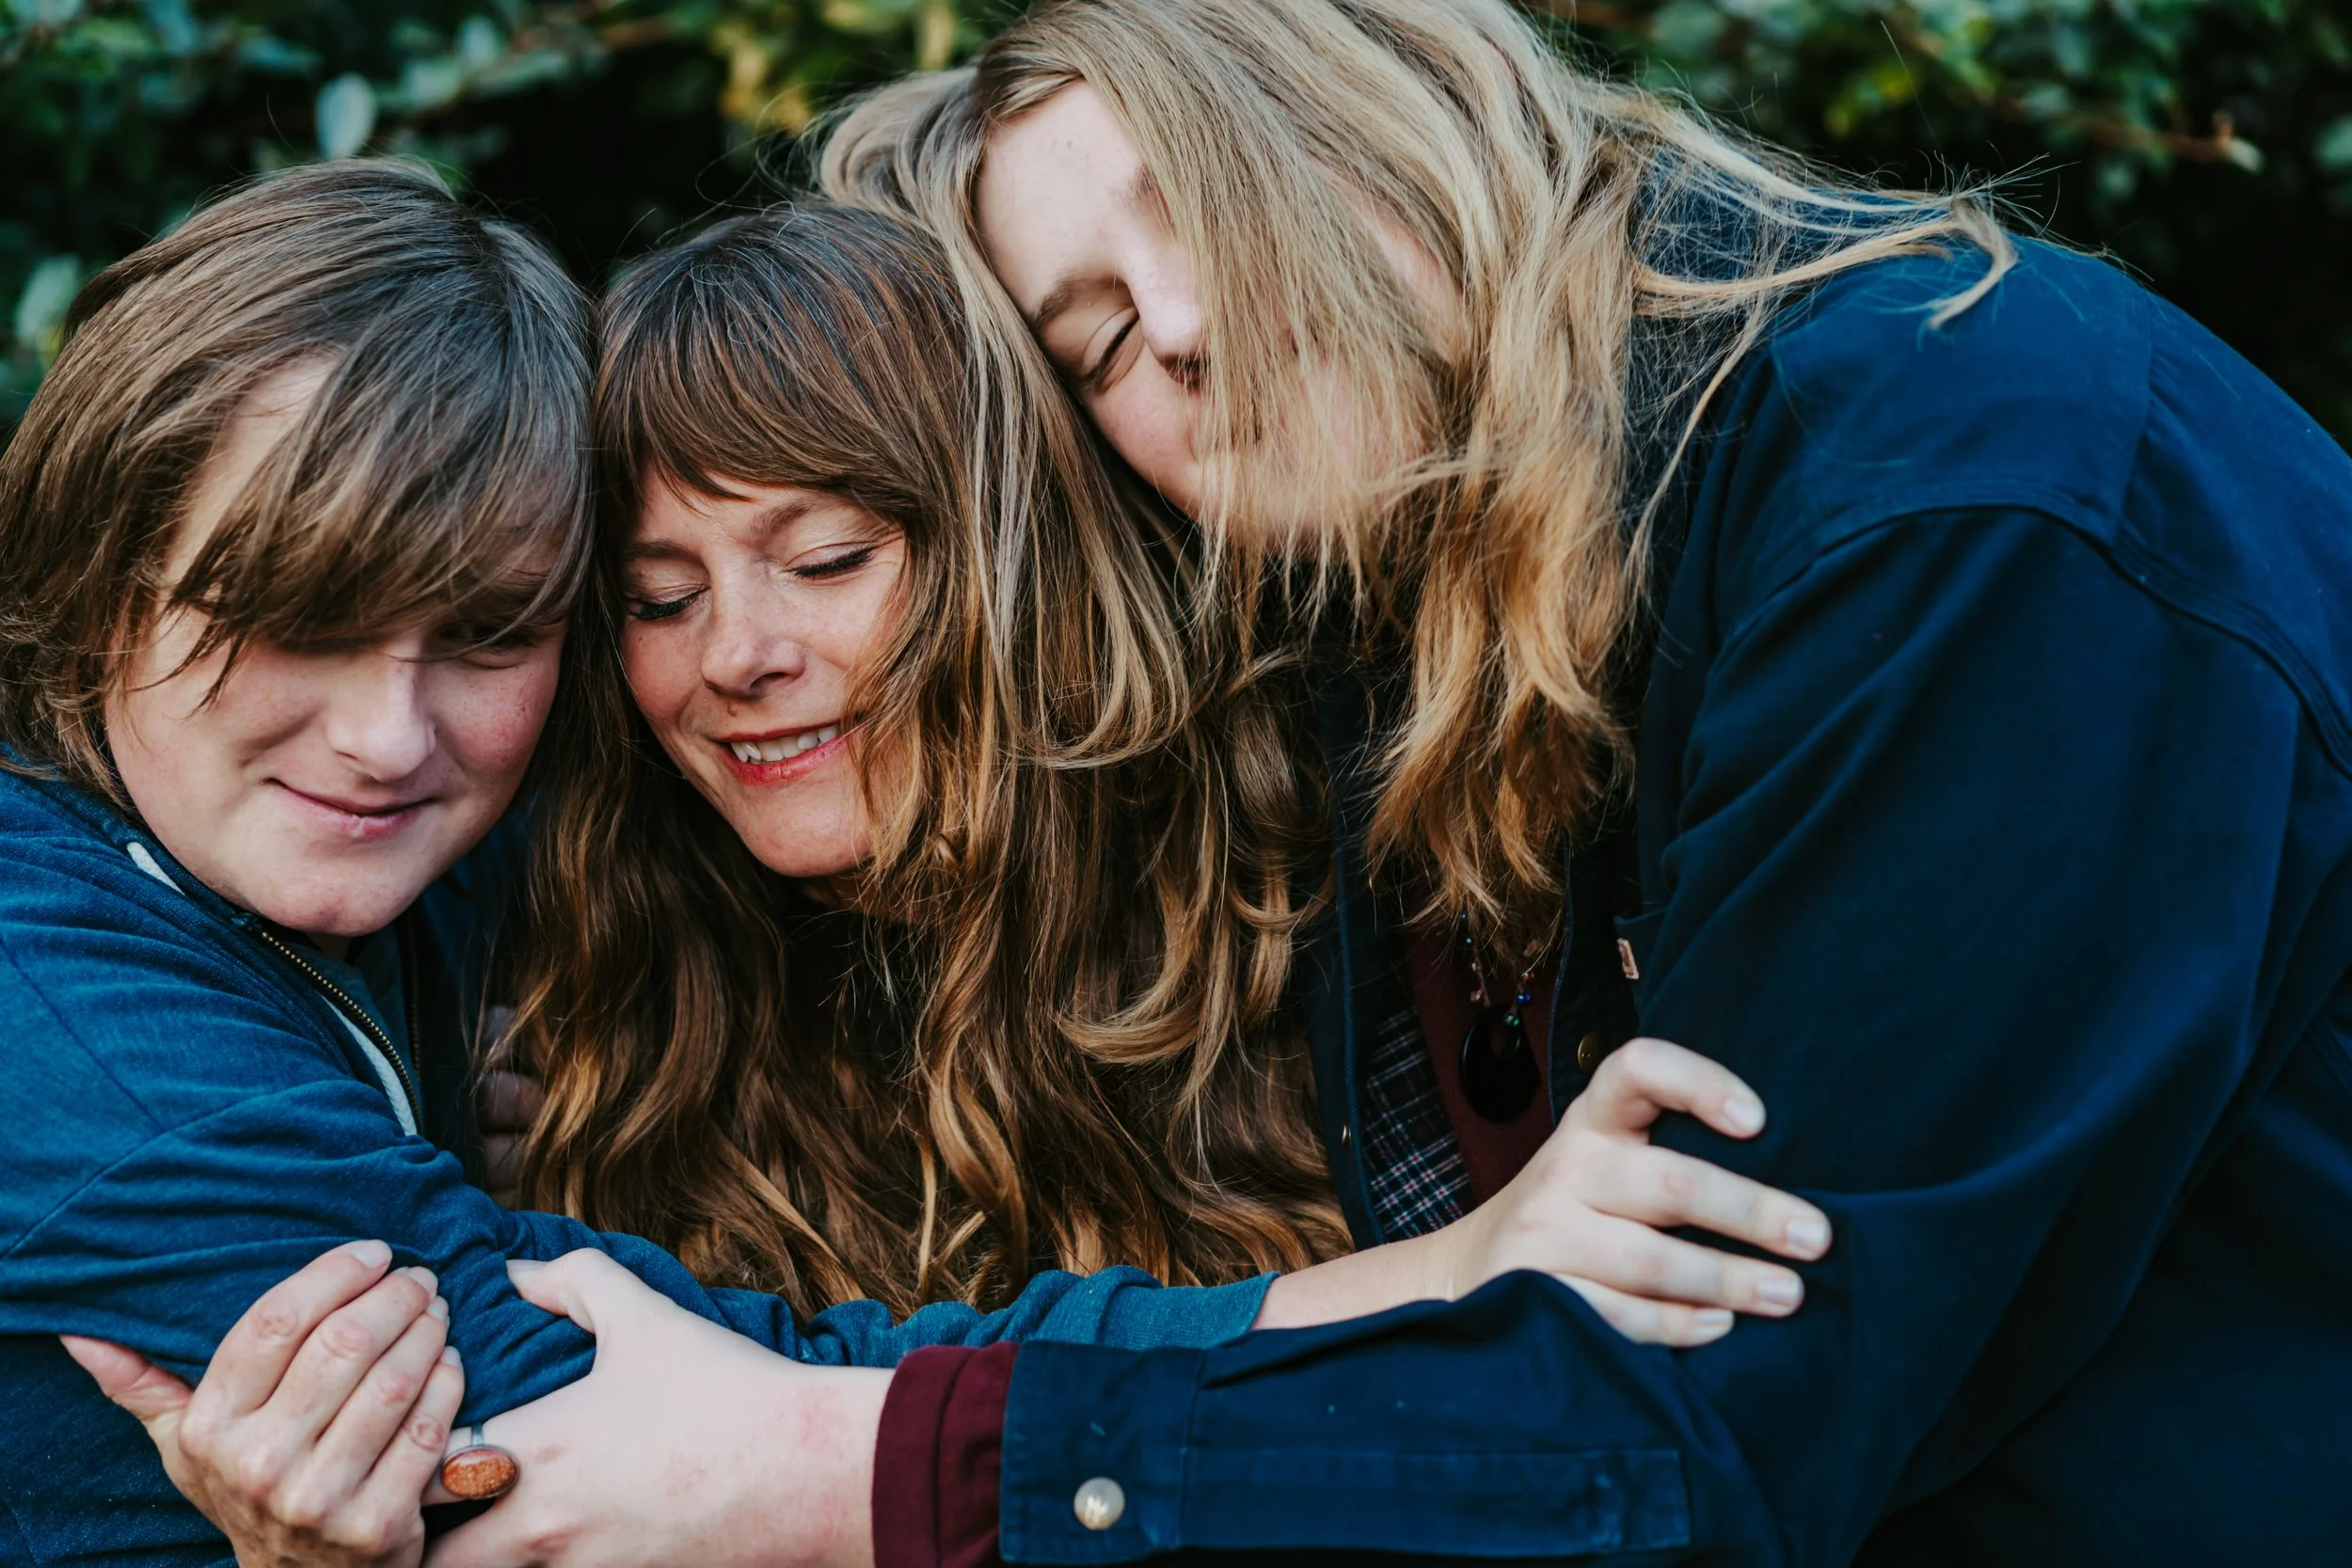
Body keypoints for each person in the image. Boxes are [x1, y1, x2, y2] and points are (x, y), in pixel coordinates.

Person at [127, 0, 2352, 1561]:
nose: (1173, 331)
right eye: (1091, 332)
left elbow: (1700, 1437)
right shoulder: (1464, 616)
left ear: (1388, 102)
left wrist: (852, 1462)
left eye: (1206, 210)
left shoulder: (1949, 509)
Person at [29, 184, 1818, 1565]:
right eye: (658, 601)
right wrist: (1418, 1289)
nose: (384, 733)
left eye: (828, 555)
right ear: (98, 573)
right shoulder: (123, 997)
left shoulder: (1331, 882)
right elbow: (629, 1427)